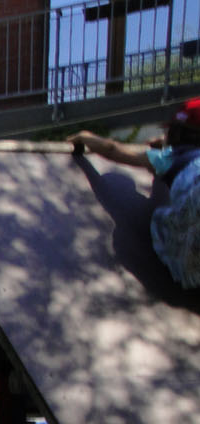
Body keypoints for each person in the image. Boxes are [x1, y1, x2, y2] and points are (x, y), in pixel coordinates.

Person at [70, 98, 200, 288]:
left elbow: (113, 149)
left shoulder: (167, 157)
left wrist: (85, 137)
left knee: (165, 223)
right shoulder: (169, 156)